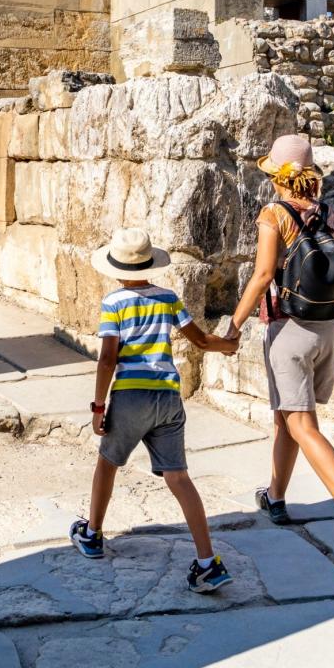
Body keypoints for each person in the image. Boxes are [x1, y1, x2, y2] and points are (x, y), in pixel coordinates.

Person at [225, 134, 334, 558]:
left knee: (302, 424)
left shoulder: (274, 214)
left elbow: (261, 277)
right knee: (286, 416)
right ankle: (276, 496)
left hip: (288, 329)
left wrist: (233, 326)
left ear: (277, 176)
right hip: (327, 328)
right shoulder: (331, 215)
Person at [69, 227, 241, 592]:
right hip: (168, 396)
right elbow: (198, 339)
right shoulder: (168, 298)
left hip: (131, 395)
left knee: (108, 464)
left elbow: (107, 360)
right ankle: (208, 561)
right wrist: (226, 345)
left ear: (116, 268)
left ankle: (93, 534)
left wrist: (99, 407)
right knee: (178, 477)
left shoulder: (114, 303)